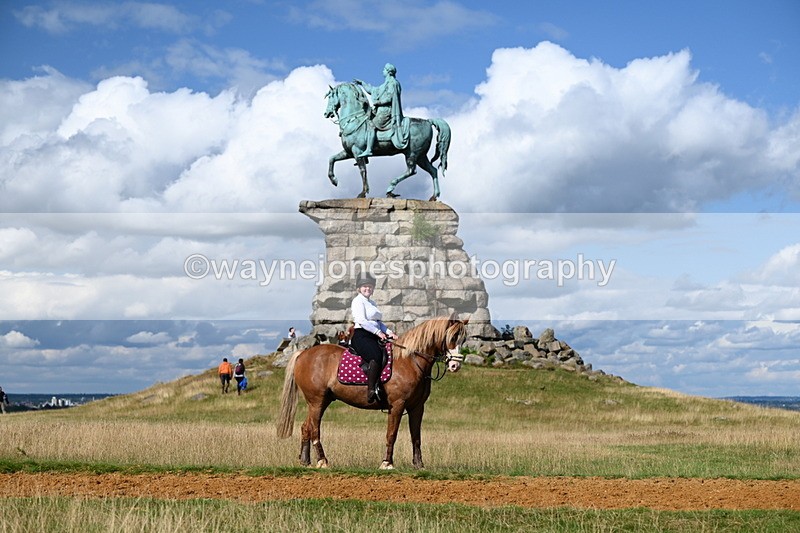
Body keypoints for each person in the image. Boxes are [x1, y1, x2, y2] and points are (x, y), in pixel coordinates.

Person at [350, 274, 397, 403]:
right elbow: (361, 320)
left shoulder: (372, 303)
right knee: (376, 355)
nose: (368, 289)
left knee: (388, 353)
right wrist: (378, 332)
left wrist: (389, 333)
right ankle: (371, 390)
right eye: (365, 286)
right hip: (361, 335)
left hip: (373, 335)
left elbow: (379, 323)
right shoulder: (357, 301)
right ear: (359, 288)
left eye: (370, 286)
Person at [353, 63, 407, 157]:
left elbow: (390, 98)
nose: (382, 71)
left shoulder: (393, 83)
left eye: (384, 70)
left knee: (370, 124)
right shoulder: (385, 84)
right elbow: (373, 90)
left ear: (388, 72)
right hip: (381, 111)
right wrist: (363, 84)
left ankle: (369, 149)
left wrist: (379, 102)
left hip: (386, 112)